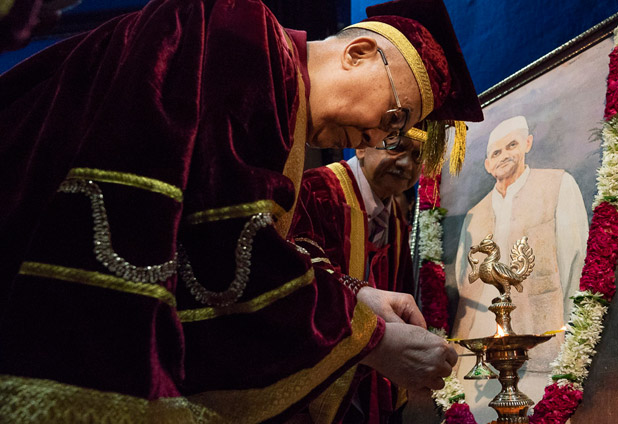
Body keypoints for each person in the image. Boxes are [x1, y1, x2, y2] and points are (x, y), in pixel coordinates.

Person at [0, 0, 483, 422]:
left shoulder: (279, 98)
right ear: (358, 55)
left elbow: (211, 233)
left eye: (394, 135)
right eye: (393, 118)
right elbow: (227, 251)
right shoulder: (242, 29)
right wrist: (371, 340)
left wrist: (356, 297)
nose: (379, 140)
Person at [452, 115, 588, 419]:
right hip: (479, 368)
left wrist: (569, 347)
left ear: (527, 144)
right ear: (487, 164)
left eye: (511, 145)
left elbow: (575, 268)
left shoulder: (557, 186)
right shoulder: (474, 214)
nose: (503, 156)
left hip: (541, 359)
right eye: (495, 152)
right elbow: (465, 288)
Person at [292, 127, 426, 423]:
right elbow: (295, 284)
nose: (406, 164)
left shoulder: (397, 220)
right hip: (313, 387)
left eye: (418, 155)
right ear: (363, 146)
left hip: (371, 385)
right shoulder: (315, 191)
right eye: (395, 147)